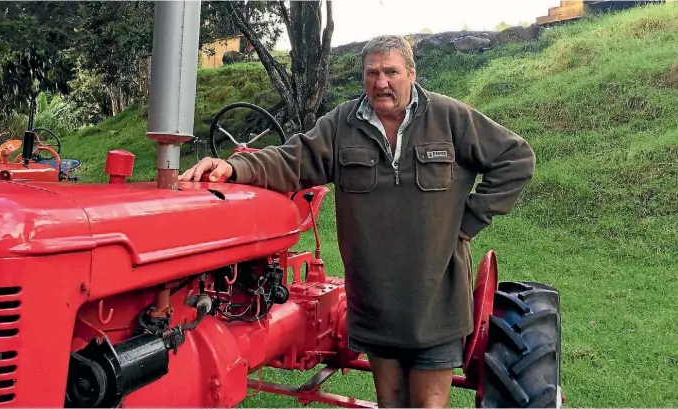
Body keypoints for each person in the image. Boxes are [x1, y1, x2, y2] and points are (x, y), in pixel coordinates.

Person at [180, 35, 535, 408]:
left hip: (436, 299)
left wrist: (468, 221)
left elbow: (516, 158)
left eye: (391, 72)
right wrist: (234, 167)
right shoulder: (341, 125)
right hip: (375, 297)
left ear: (411, 74)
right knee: (390, 402)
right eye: (373, 73)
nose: (381, 82)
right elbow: (290, 161)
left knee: (430, 404)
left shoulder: (449, 118)